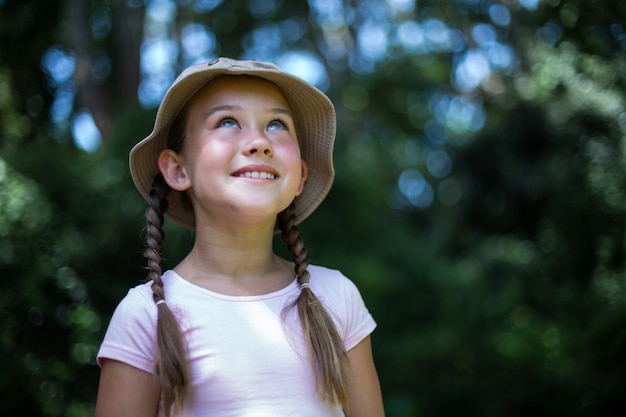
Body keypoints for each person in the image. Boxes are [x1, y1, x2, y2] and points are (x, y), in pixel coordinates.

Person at [95, 57, 384, 417]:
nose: (260, 142)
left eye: (277, 124)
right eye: (227, 121)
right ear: (177, 169)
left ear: (300, 177)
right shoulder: (145, 316)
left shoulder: (337, 297)